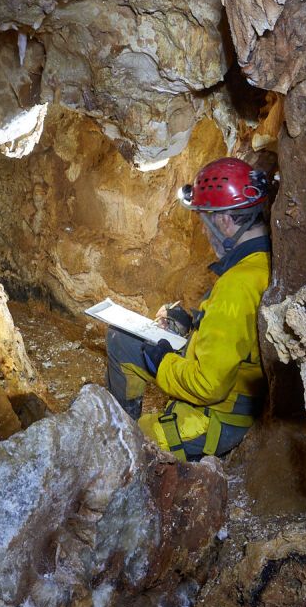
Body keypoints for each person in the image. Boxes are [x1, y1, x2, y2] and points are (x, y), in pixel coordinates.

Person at [105, 158, 272, 460]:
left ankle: (120, 432)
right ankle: (122, 419)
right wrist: (190, 324)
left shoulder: (237, 286)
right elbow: (235, 336)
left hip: (215, 418)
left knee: (116, 447)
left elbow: (209, 386)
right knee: (121, 338)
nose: (207, 233)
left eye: (206, 221)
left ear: (224, 221)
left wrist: (164, 362)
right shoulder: (262, 262)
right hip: (228, 388)